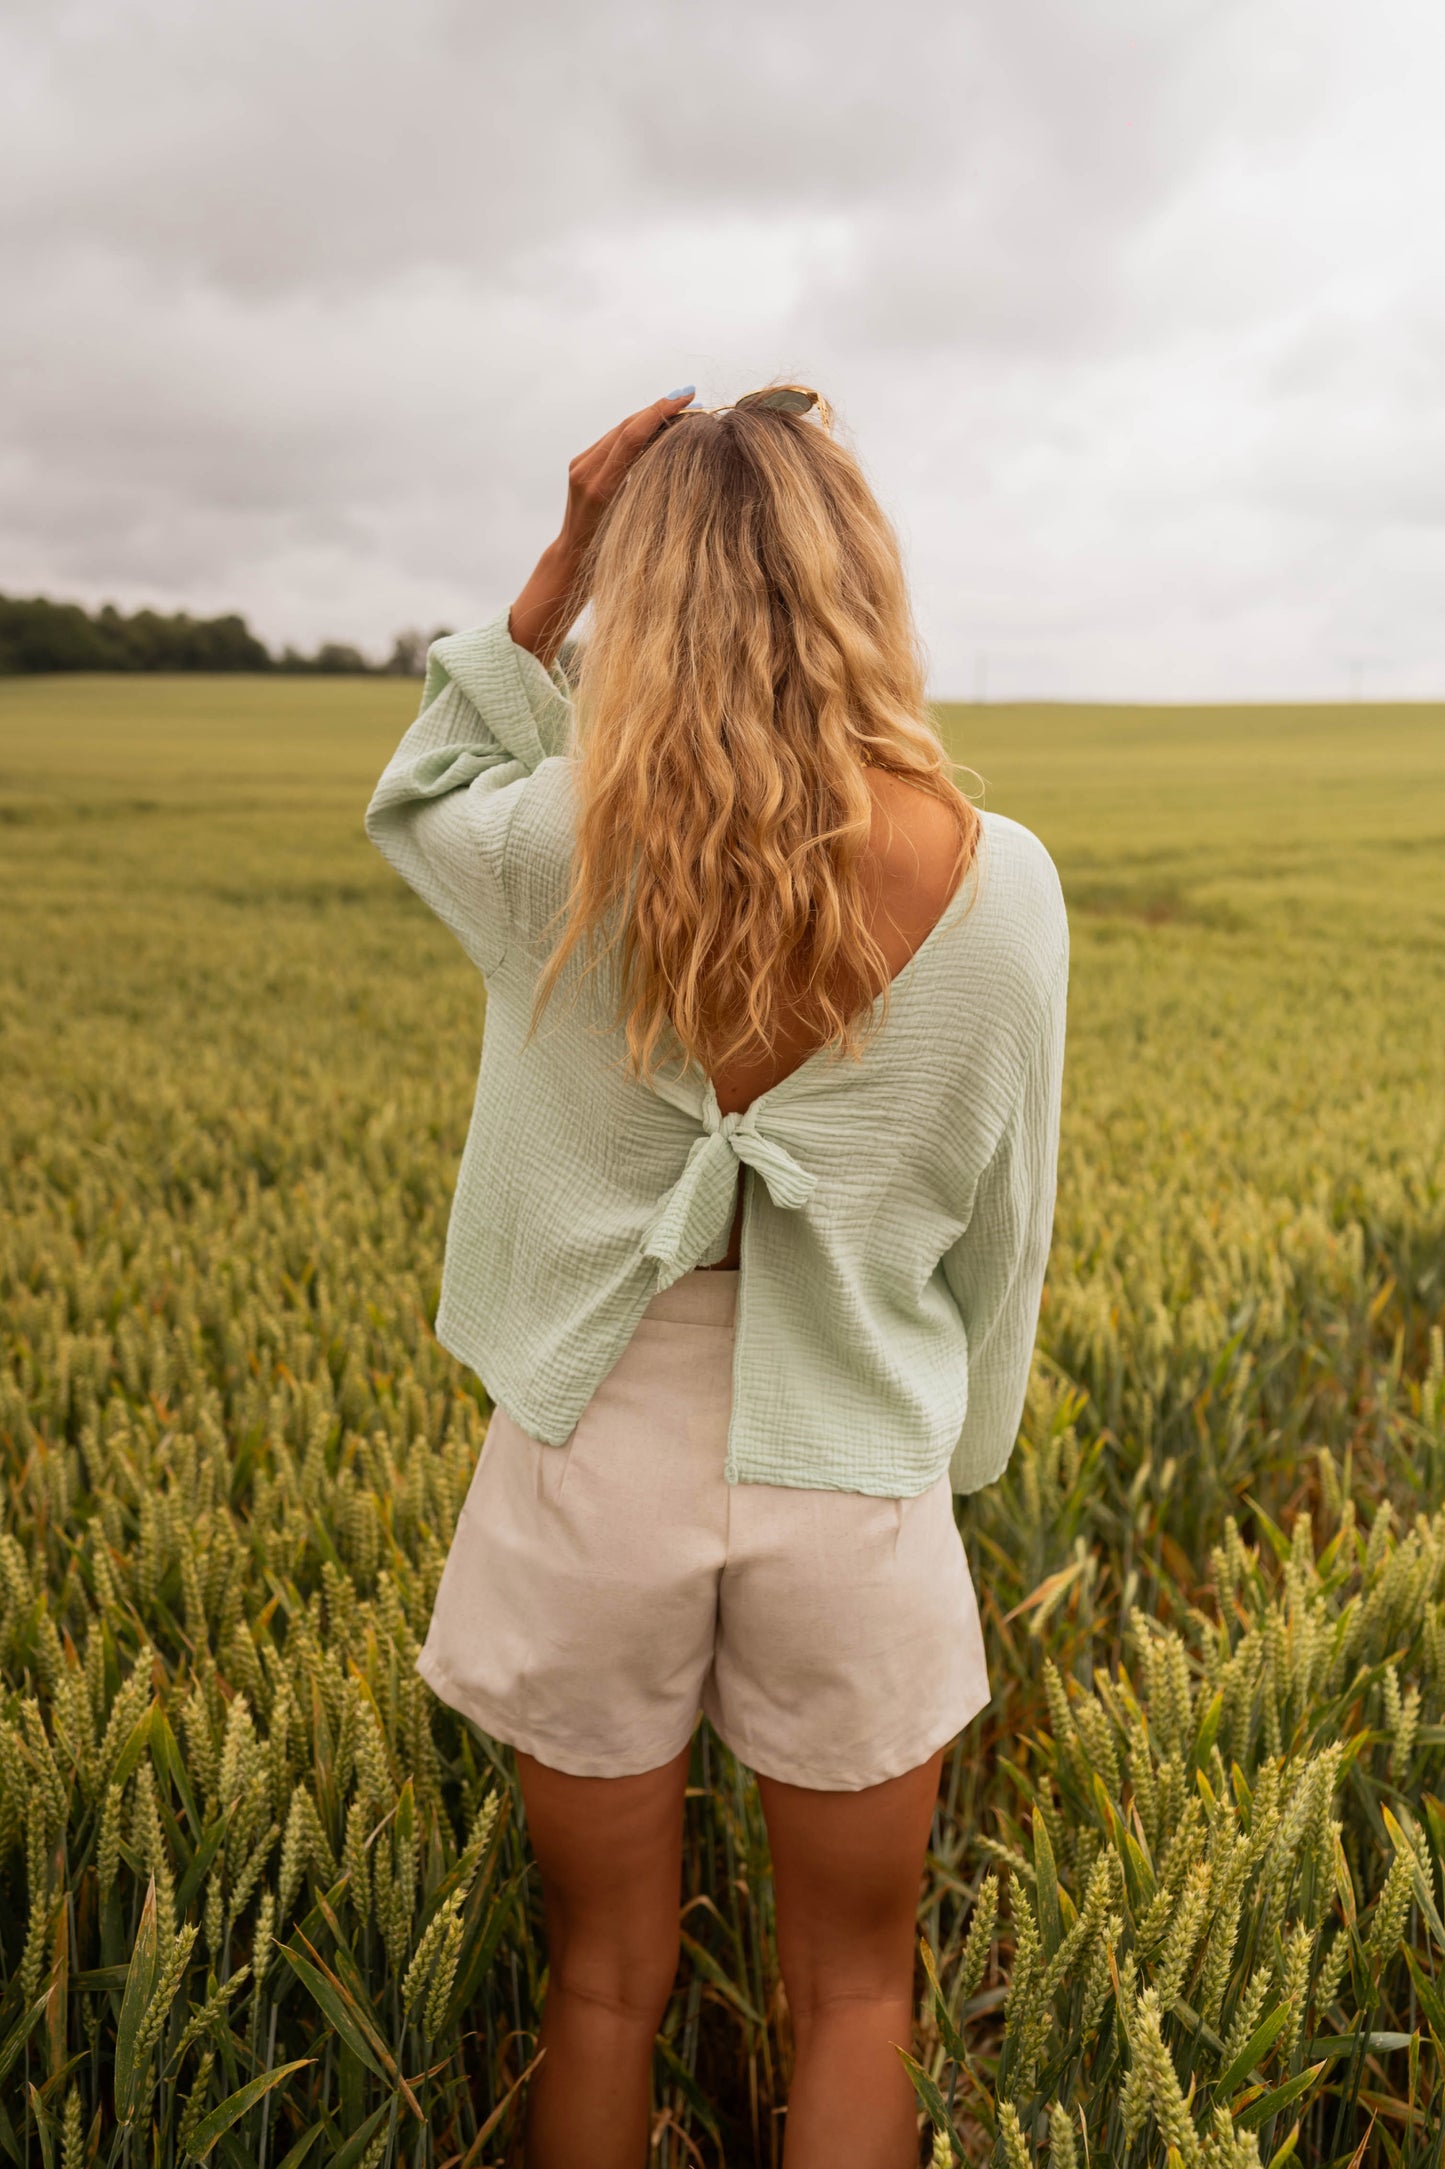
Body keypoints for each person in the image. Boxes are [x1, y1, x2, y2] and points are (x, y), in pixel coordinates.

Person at [364, 384, 1069, 2169]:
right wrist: (946, 1461)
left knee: (601, 1980)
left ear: (641, 598)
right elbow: (1008, 1230)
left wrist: (553, 570)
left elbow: (422, 781)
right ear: (863, 587)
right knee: (855, 1992)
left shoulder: (556, 850)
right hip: (853, 1478)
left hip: (593, 1454)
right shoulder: (1007, 890)